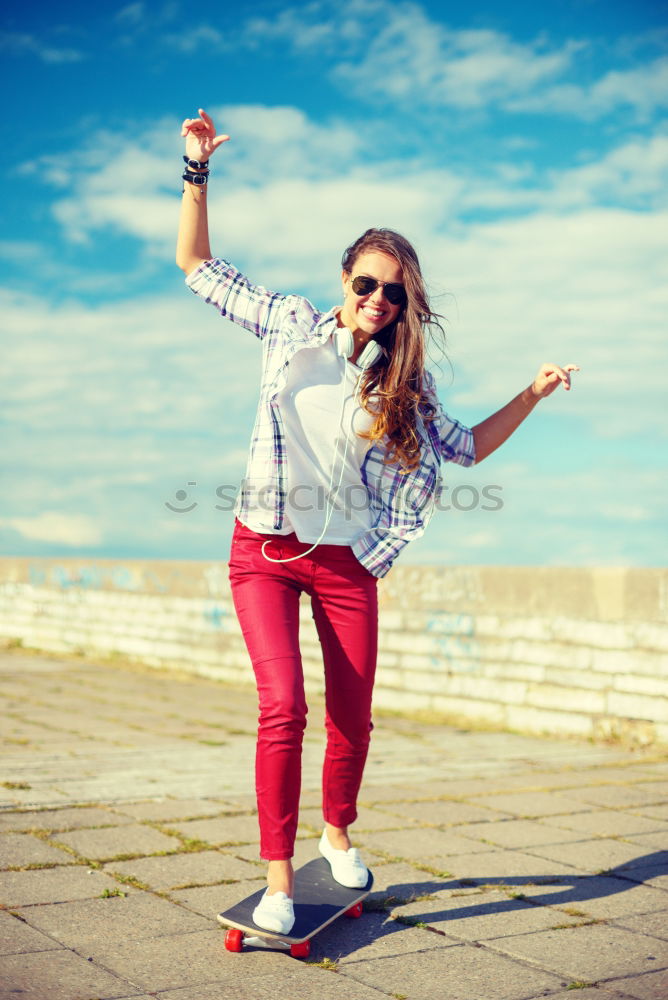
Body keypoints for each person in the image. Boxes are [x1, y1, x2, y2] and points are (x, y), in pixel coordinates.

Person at [176, 109, 579, 935]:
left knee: (353, 714)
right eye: (366, 284)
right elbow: (195, 264)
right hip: (262, 550)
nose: (379, 301)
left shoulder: (403, 390)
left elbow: (466, 449)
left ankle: (337, 833)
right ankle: (279, 879)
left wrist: (533, 394)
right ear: (344, 284)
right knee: (283, 706)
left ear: (405, 305)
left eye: (394, 293)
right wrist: (196, 171)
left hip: (346, 563)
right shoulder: (289, 325)